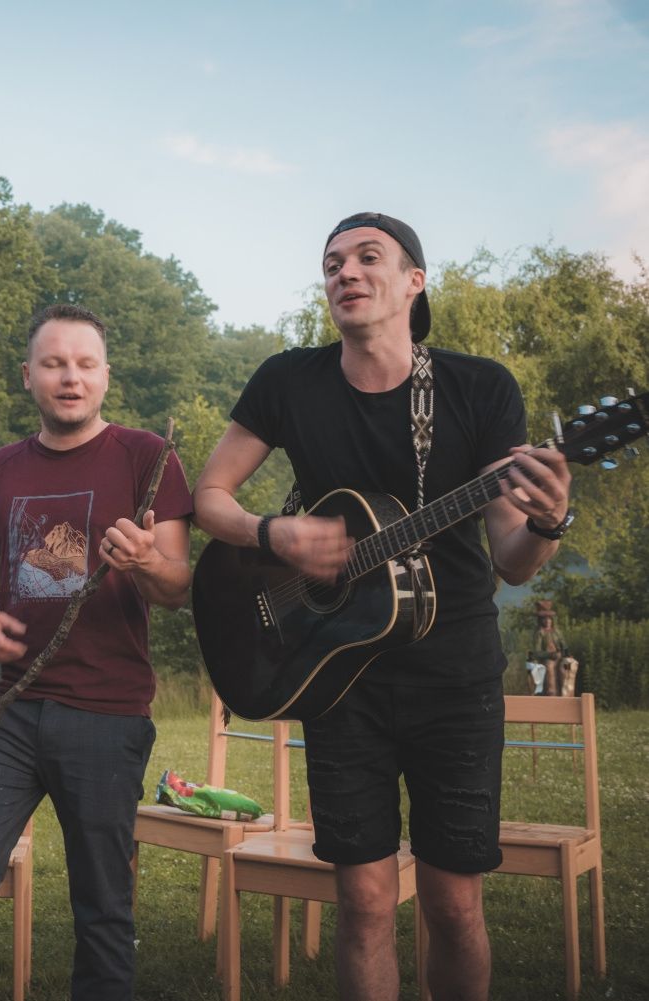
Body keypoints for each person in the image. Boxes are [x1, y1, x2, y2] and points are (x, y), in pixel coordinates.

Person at [194, 212, 573, 1001]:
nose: (346, 272)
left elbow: (511, 559)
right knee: (364, 901)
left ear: (413, 282)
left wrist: (547, 522)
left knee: (454, 904)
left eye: (369, 257)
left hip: (454, 676)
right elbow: (210, 497)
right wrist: (272, 532)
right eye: (333, 262)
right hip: (337, 673)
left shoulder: (480, 388)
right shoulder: (288, 380)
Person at [0, 303, 193, 1001]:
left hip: (106, 711)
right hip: (4, 711)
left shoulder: (146, 457)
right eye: (53, 364)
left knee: (103, 906)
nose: (69, 377)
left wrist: (144, 561)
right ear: (28, 375)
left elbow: (177, 586)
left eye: (84, 364)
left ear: (106, 375)